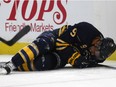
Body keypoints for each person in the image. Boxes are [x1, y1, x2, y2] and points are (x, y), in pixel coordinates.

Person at [0, 22, 115, 75]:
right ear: (97, 43)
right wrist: (76, 59)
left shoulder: (99, 57)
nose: (95, 55)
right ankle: (12, 64)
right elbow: (61, 43)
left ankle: (16, 66)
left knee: (43, 63)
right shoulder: (86, 30)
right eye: (97, 52)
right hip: (56, 38)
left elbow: (82, 62)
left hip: (64, 55)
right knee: (42, 45)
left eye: (99, 56)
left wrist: (80, 63)